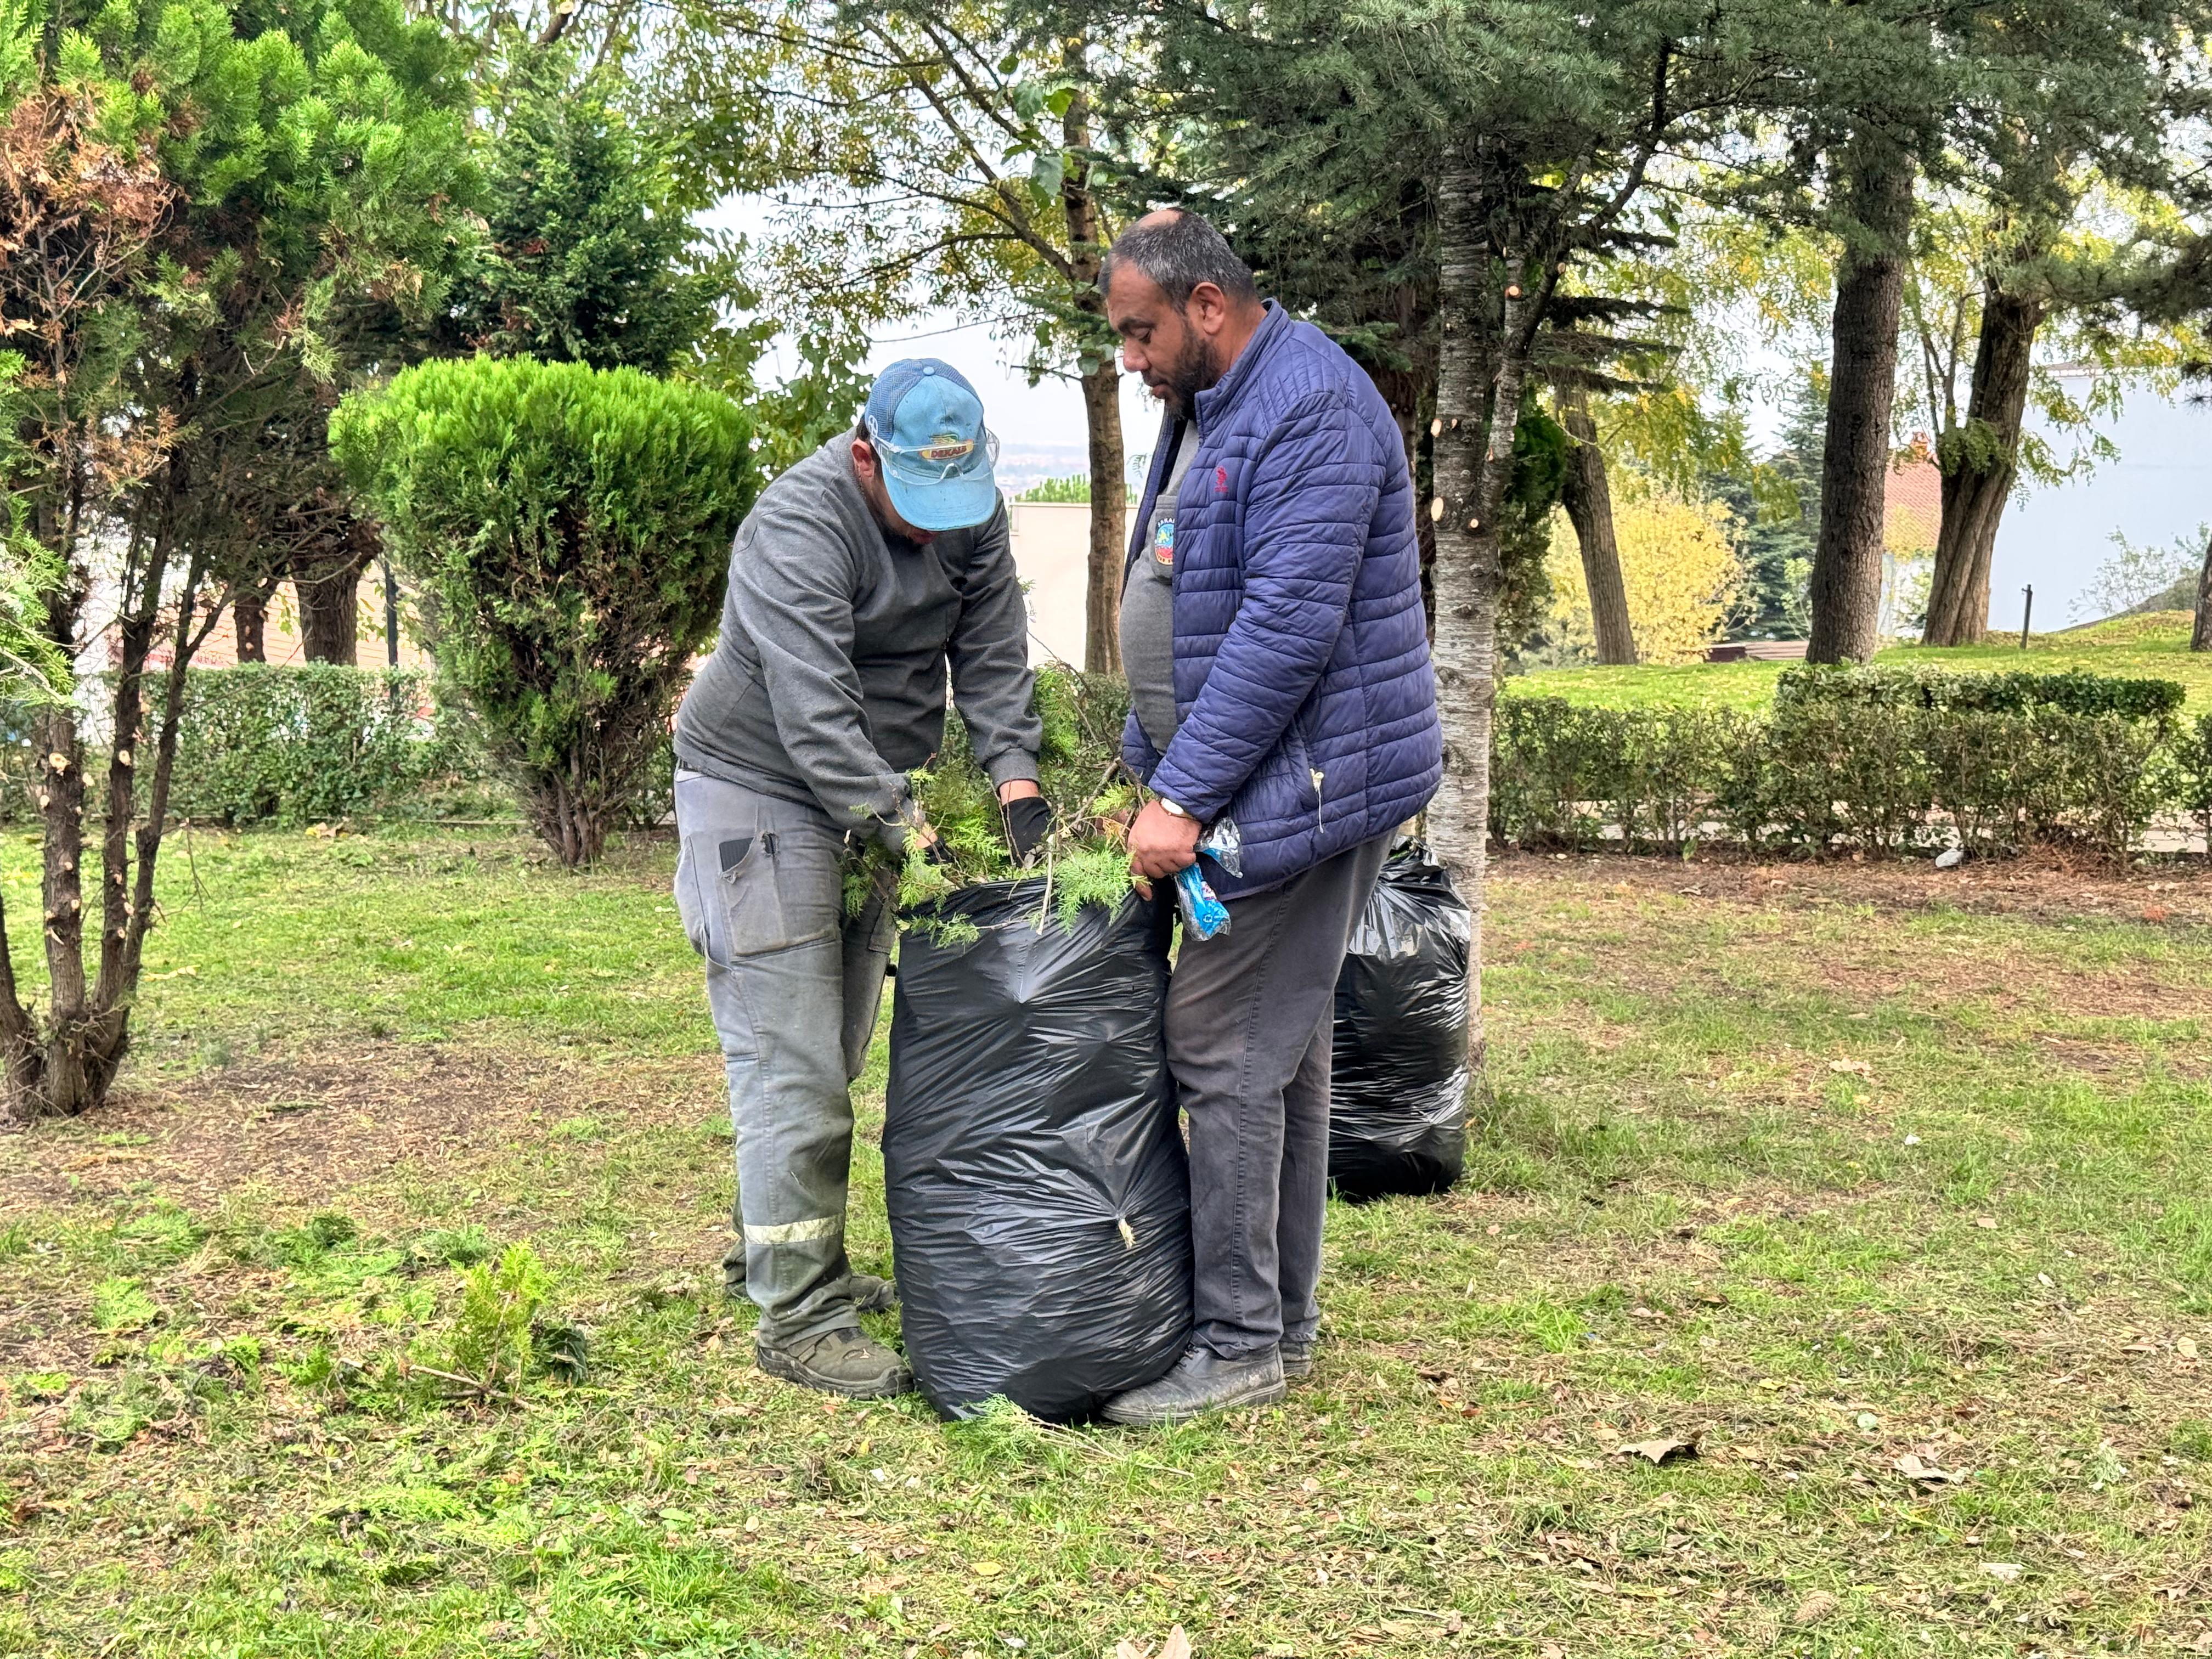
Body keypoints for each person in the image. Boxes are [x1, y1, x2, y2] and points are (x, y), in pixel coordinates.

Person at [1098, 211, 1443, 1425]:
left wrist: (1184, 796)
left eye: (1139, 334)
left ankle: (1239, 1342)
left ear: (1205, 306)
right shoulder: (1214, 402)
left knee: (1224, 1049)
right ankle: (1279, 1330)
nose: (1129, 361)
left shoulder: (1312, 405)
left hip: (1300, 786)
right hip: (1262, 775)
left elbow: (1288, 626)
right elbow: (1188, 588)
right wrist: (1155, 762)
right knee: (1280, 1056)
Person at [671, 359, 1053, 1399]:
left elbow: (991, 651)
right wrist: (912, 835)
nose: (938, 530)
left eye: (957, 503)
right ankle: (797, 1318)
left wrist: (1016, 783)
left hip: (876, 801)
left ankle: (778, 1252)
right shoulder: (799, 526)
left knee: (829, 1047)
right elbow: (816, 716)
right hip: (759, 793)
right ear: (862, 454)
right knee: (790, 1063)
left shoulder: (970, 515)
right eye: (917, 507)